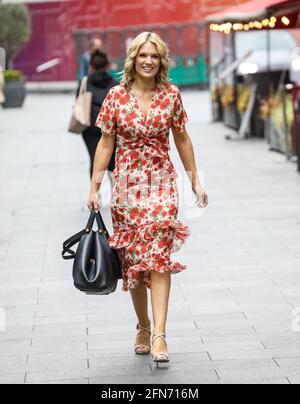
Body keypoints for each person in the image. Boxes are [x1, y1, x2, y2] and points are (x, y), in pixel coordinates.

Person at [87, 32, 208, 364]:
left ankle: (159, 335)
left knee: (158, 258)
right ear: (133, 59)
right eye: (143, 55)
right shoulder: (115, 97)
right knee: (133, 264)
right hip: (126, 188)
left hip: (161, 185)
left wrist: (195, 180)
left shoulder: (171, 95)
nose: (149, 61)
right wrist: (95, 187)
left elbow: (182, 138)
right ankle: (143, 325)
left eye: (155, 55)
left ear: (161, 60)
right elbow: (106, 143)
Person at [80, 50, 118, 178]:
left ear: (91, 66)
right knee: (113, 163)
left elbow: (78, 103)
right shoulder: (115, 84)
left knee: (95, 160)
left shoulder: (85, 83)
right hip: (111, 130)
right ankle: (115, 192)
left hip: (90, 130)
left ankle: (96, 193)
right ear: (107, 65)